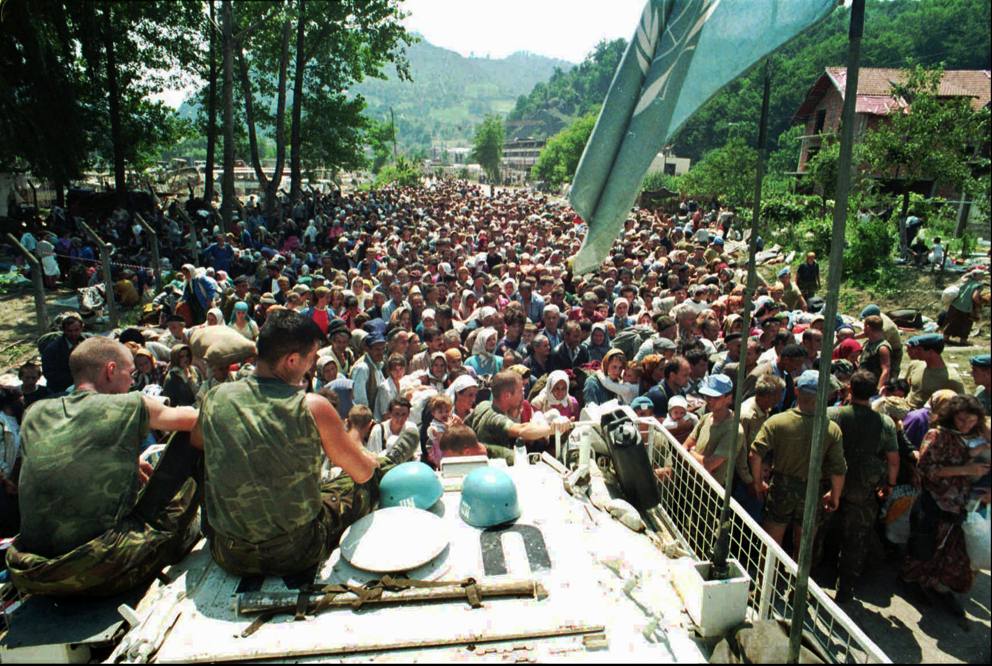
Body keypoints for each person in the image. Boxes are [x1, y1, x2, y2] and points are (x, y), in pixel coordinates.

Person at [194, 310, 393, 578]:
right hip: (296, 552)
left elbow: (197, 441)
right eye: (311, 360)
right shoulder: (312, 407)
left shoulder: (216, 397)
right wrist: (373, 463)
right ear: (291, 360)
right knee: (365, 481)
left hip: (229, 553)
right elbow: (361, 472)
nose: (311, 368)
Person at [6, 337, 201, 596]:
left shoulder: (34, 412)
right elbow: (200, 419)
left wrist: (129, 459)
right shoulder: (130, 403)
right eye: (129, 374)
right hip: (99, 570)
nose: (132, 382)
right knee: (193, 439)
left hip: (33, 572)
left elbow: (69, 450)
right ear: (110, 371)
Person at [902, 395, 990, 617]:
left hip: (961, 503)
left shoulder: (973, 437)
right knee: (925, 545)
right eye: (961, 420)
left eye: (971, 421)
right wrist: (964, 470)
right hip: (935, 500)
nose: (966, 425)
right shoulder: (937, 435)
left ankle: (937, 584)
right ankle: (911, 581)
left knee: (950, 549)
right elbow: (925, 468)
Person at [749, 370, 847, 555]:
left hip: (781, 487)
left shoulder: (777, 422)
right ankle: (796, 582)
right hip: (812, 490)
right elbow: (838, 469)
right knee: (803, 546)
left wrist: (757, 483)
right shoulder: (831, 429)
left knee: (771, 543)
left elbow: (755, 453)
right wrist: (835, 495)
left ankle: (765, 580)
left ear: (796, 392)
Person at [827, 370, 900, 603]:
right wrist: (890, 484)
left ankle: (806, 578)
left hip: (829, 481)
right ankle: (846, 587)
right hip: (864, 486)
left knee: (818, 530)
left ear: (850, 389)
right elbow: (893, 459)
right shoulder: (885, 422)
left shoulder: (833, 415)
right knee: (856, 537)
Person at [465, 371, 572, 458]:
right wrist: (553, 429)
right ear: (507, 396)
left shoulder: (483, 405)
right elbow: (521, 430)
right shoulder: (495, 418)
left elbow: (463, 426)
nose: (523, 395)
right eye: (520, 392)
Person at [684, 374, 742, 483]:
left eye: (716, 397)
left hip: (712, 491)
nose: (710, 400)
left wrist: (691, 452)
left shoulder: (734, 430)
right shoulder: (706, 418)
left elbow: (709, 464)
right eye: (707, 396)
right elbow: (684, 447)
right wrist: (692, 453)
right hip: (691, 484)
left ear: (728, 398)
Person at [902, 334, 965, 409]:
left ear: (931, 352)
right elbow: (905, 387)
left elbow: (961, 405)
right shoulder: (915, 365)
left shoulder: (951, 379)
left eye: (919, 350)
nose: (915, 352)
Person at [40, 313, 85, 395]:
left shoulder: (88, 342)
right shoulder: (52, 349)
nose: (73, 334)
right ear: (64, 330)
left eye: (76, 330)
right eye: (69, 331)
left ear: (82, 328)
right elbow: (50, 374)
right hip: (61, 388)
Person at [367, 397, 419, 462]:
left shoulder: (411, 429)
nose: (400, 418)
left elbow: (417, 454)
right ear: (390, 413)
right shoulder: (379, 430)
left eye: (404, 414)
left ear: (408, 414)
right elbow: (372, 456)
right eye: (397, 414)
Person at [943, 269, 986, 345]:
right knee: (966, 324)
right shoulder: (979, 285)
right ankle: (963, 341)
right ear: (978, 276)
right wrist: (980, 303)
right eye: (982, 275)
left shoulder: (966, 280)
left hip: (955, 304)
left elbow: (963, 277)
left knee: (952, 322)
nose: (983, 276)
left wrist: (970, 273)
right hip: (966, 307)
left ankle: (945, 338)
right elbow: (975, 297)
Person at [860, 315, 892, 393]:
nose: (863, 330)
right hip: (863, 383)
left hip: (872, 387)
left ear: (868, 327)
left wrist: (878, 390)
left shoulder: (882, 348)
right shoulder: (868, 343)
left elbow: (886, 370)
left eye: (864, 327)